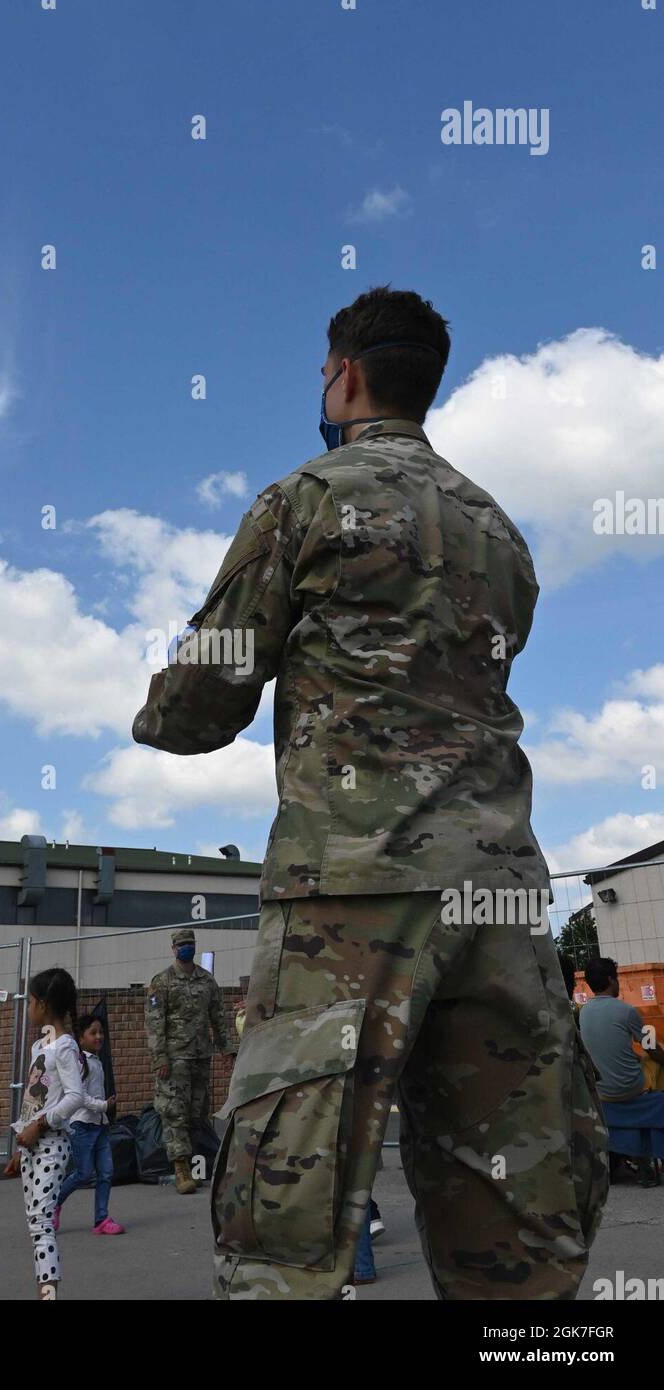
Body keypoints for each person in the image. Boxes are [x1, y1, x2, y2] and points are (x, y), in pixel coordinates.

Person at [132, 285, 609, 1300]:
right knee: (521, 1216)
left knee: (286, 1210)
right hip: (501, 895)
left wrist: (156, 715)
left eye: (323, 372)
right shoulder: (500, 532)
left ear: (345, 375)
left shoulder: (302, 499)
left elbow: (206, 693)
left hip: (351, 890)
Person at [3, 967, 87, 1299]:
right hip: (32, 1147)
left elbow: (75, 1097)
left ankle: (48, 1293)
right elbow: (34, 1100)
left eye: (31, 1001)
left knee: (42, 1225)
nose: (28, 1008)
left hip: (52, 1144)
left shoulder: (64, 1046)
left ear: (43, 1004)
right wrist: (21, 1146)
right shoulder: (42, 1043)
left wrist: (39, 1126)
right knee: (36, 1225)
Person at [144, 927, 230, 1195]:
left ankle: (193, 1164)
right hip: (175, 1058)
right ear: (173, 949)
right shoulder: (163, 982)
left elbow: (218, 1015)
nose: (186, 948)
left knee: (196, 1113)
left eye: (189, 943)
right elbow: (155, 1023)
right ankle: (180, 1169)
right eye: (181, 944)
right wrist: (160, 1058)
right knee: (174, 1113)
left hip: (201, 1056)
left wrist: (226, 1049)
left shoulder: (207, 981)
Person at [579, 956, 664, 1188]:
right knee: (656, 1065)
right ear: (610, 980)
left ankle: (632, 1158)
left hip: (601, 1091)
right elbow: (651, 1046)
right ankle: (650, 1155)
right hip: (630, 1089)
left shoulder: (583, 1013)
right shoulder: (627, 1011)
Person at [55, 1013, 125, 1235]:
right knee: (83, 1174)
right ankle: (53, 1205)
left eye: (101, 1032)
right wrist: (104, 1106)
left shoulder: (97, 1061)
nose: (99, 1037)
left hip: (100, 1126)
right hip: (82, 1126)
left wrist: (105, 1111)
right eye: (93, 1033)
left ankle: (101, 1220)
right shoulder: (79, 1062)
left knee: (106, 1172)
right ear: (81, 1038)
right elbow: (79, 1096)